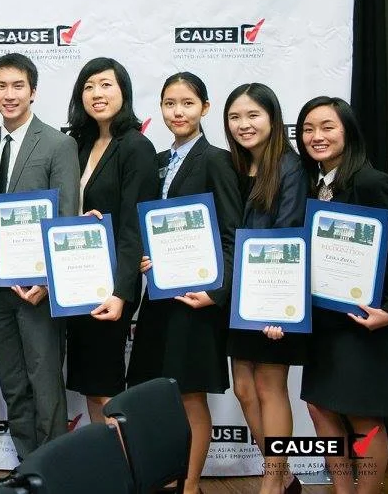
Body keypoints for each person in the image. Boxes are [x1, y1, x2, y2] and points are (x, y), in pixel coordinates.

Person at [129, 73, 241, 494]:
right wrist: (144, 255)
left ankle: (190, 486)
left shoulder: (217, 160)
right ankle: (165, 478)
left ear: (205, 108)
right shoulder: (158, 161)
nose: (178, 112)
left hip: (196, 301)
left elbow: (231, 233)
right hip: (159, 299)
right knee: (155, 393)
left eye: (188, 103)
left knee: (191, 395)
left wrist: (216, 293)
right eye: (170, 103)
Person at [0, 53, 79, 490]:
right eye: (1, 86)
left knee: (44, 381)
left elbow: (67, 215)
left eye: (18, 85)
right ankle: (26, 468)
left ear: (33, 91)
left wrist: (49, 280)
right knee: (13, 381)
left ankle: (53, 475)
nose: (9, 94)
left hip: (38, 287)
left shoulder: (58, 144)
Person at [296, 97, 388, 494]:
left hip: (361, 323)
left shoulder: (371, 183)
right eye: (308, 129)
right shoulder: (309, 185)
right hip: (321, 321)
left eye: (327, 127)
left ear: (348, 131)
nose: (316, 136)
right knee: (320, 408)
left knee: (363, 418)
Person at [65, 57, 159, 424]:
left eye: (106, 84)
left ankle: (125, 458)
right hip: (79, 279)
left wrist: (121, 292)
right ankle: (106, 455)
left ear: (124, 92)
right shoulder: (79, 144)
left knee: (106, 386)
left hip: (111, 285)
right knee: (92, 384)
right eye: (88, 87)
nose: (97, 93)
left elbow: (134, 224)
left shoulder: (136, 146)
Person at [223, 83, 307, 494]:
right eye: (235, 117)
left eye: (253, 115)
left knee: (269, 387)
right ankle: (285, 476)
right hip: (241, 299)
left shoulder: (290, 168)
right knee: (243, 388)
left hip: (274, 297)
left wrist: (277, 306)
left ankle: (272, 480)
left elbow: (288, 234)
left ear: (273, 118)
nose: (244, 124)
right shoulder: (236, 166)